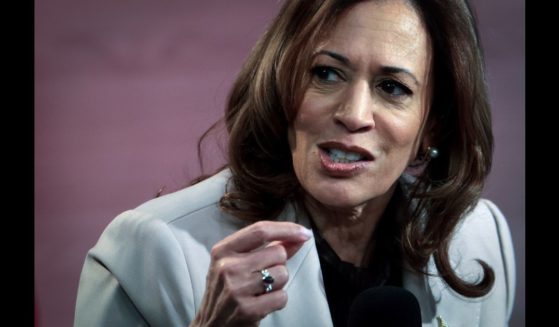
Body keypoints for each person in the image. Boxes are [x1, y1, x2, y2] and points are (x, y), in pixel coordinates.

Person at [74, 0, 516, 326]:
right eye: (326, 73)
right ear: (282, 85)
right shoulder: (150, 252)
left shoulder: (479, 238)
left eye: (392, 87)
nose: (353, 113)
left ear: (432, 126)